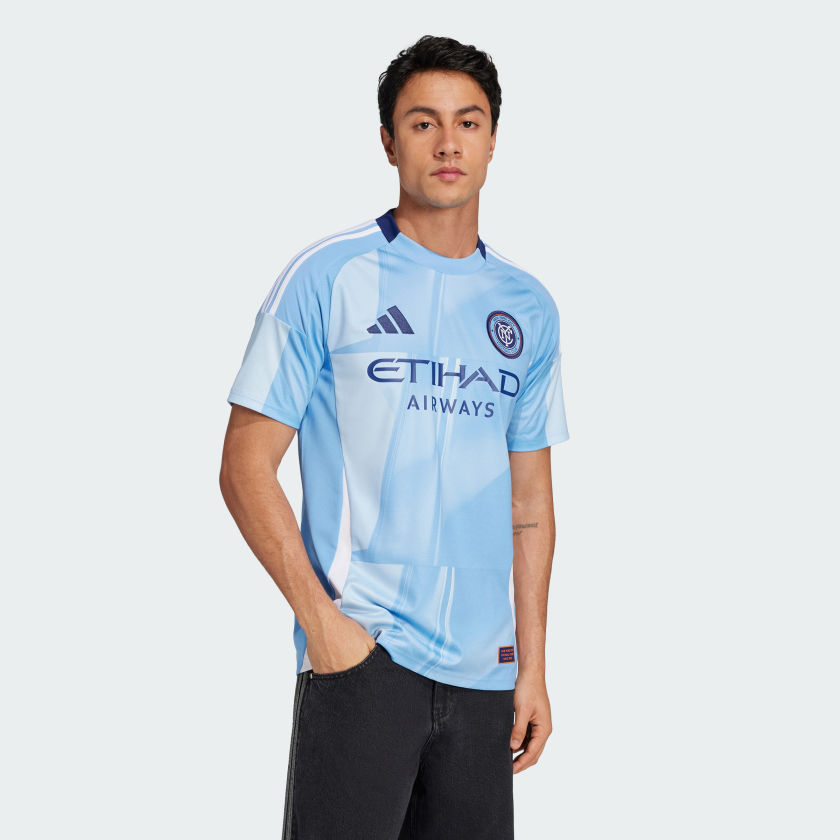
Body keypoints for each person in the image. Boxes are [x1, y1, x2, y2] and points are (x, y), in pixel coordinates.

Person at [219, 33, 570, 840]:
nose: (448, 142)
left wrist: (534, 668)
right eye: (423, 123)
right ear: (388, 141)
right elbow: (244, 467)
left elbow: (529, 506)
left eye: (468, 122)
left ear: (492, 140)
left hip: (488, 677)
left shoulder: (528, 306)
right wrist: (325, 627)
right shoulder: (327, 276)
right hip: (364, 657)